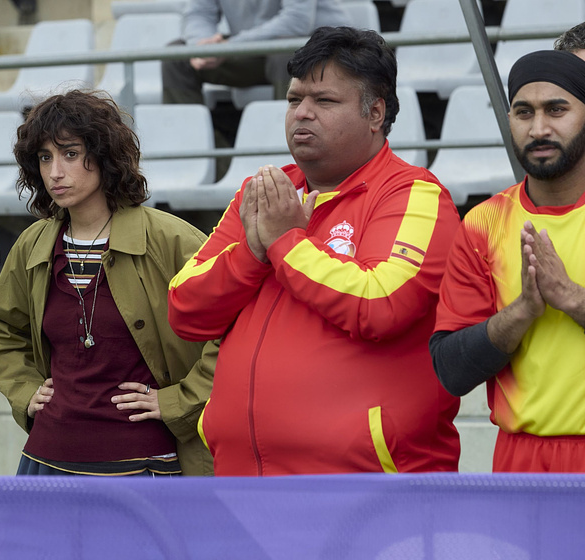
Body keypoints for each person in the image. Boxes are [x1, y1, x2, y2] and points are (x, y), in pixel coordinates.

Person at [167, 27, 462, 476]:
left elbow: (379, 303)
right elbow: (185, 309)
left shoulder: (415, 194)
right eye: (293, 100)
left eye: (324, 101)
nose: (301, 113)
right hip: (242, 479)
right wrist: (252, 251)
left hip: (371, 490)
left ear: (375, 113)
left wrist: (284, 242)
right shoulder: (262, 192)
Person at [0, 90, 217, 476]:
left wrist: (178, 401)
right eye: (44, 157)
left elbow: (234, 332)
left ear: (105, 155)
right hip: (46, 460)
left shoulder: (171, 240)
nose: (55, 172)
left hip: (141, 464)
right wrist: (25, 391)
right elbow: (1, 330)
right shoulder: (33, 244)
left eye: (70, 153)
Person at [430, 50, 585, 473]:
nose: (539, 128)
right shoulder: (484, 223)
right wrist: (521, 312)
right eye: (523, 112)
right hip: (520, 462)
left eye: (557, 109)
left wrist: (573, 299)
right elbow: (451, 371)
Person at [161, 0, 353, 104]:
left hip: (323, 52)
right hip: (257, 50)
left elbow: (296, 22)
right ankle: (200, 158)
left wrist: (229, 47)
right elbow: (198, 13)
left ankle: (289, 154)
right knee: (176, 57)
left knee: (285, 54)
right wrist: (203, 49)